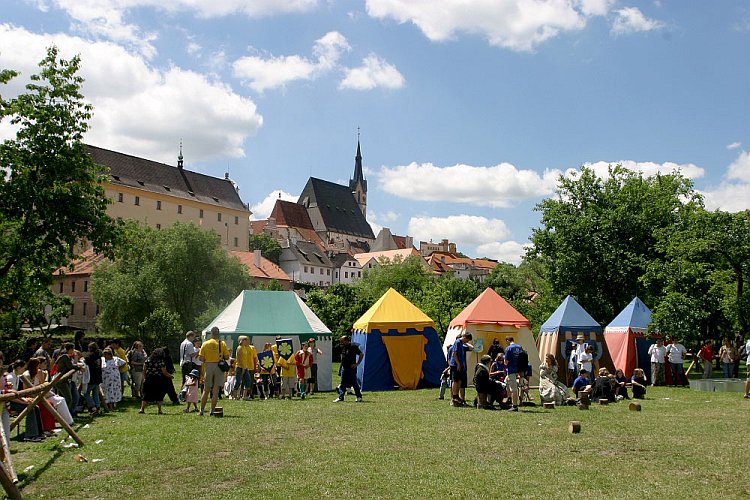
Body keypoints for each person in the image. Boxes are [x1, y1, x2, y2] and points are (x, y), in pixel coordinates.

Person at [198, 326, 230, 416]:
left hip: (208, 365)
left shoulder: (205, 343)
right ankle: (212, 411)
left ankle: (202, 410)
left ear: (211, 334)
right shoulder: (222, 343)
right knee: (216, 391)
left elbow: (201, 358)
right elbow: (227, 357)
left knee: (206, 389)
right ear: (218, 334)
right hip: (219, 366)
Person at [139, 347, 173, 415]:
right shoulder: (161, 361)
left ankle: (142, 409)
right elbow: (164, 371)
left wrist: (145, 377)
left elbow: (144, 369)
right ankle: (159, 410)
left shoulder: (148, 360)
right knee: (159, 394)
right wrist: (170, 376)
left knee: (146, 394)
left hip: (149, 378)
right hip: (158, 379)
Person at [333, 335, 364, 403]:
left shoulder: (353, 347)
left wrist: (357, 364)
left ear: (346, 340)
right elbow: (342, 356)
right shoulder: (342, 347)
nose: (341, 343)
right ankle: (341, 397)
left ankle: (359, 397)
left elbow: (361, 354)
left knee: (354, 382)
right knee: (342, 383)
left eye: (342, 341)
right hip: (344, 368)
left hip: (351, 368)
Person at [449, 332, 473, 407]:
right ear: (464, 337)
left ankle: (457, 395)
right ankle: (454, 396)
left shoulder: (462, 344)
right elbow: (454, 354)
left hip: (461, 365)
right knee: (455, 380)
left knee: (459, 380)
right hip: (455, 365)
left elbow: (472, 348)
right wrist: (458, 363)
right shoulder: (458, 342)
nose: (467, 342)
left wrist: (466, 343)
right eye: (467, 340)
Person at [503, 336, 525, 412]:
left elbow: (506, 362)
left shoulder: (508, 348)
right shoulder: (520, 347)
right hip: (519, 370)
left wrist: (504, 359)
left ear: (507, 340)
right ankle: (509, 399)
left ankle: (514, 406)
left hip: (511, 370)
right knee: (507, 382)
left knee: (514, 389)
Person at [233, 336, 258, 400]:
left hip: (245, 367)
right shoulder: (239, 348)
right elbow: (239, 359)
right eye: (246, 340)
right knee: (238, 382)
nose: (247, 341)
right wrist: (243, 367)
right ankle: (234, 396)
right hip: (240, 367)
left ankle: (244, 396)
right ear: (242, 341)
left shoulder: (245, 348)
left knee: (248, 381)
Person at [83, 342, 103, 414]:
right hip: (98, 377)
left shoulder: (89, 357)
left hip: (91, 378)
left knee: (85, 393)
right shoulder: (99, 356)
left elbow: (85, 363)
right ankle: (97, 407)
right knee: (95, 393)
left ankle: (93, 406)